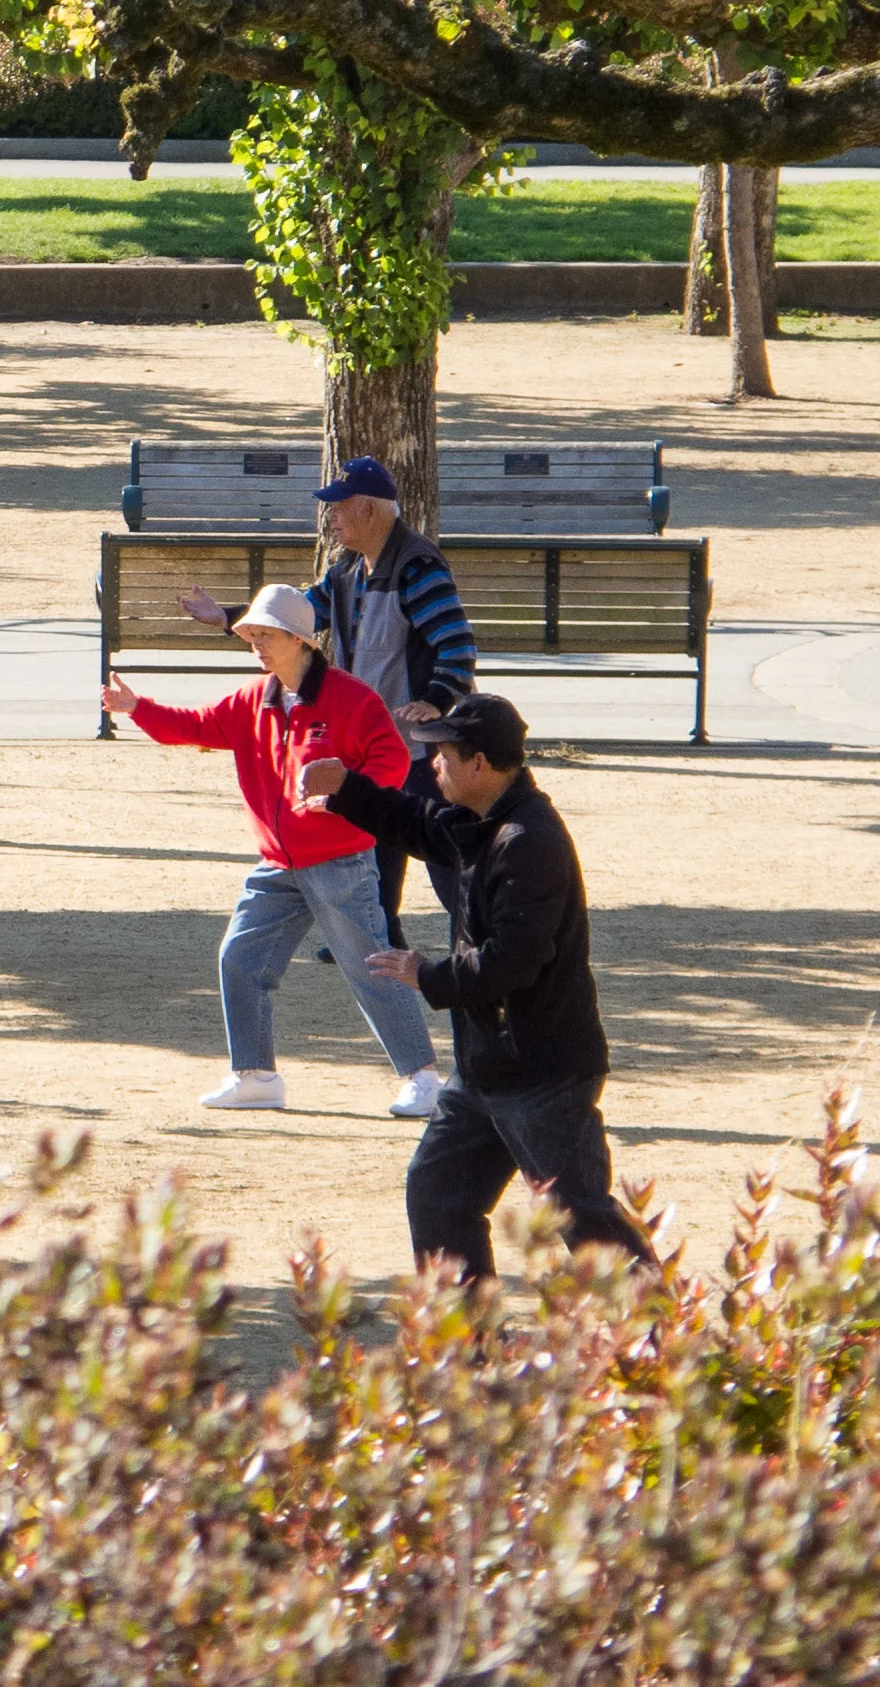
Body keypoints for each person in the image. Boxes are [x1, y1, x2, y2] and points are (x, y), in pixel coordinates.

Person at [296, 694, 655, 1281]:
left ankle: (663, 1334)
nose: (433, 765)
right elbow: (416, 824)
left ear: (480, 763)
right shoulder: (481, 822)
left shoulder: (527, 839)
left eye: (442, 754)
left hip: (544, 1074)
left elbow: (515, 961)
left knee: (581, 1217)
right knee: (439, 1196)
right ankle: (469, 1349)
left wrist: (427, 974)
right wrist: (345, 789)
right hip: (484, 1072)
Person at [101, 583, 445, 1118]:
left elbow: (391, 761)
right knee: (239, 959)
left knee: (370, 966)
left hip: (341, 862)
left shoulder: (352, 698)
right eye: (251, 635)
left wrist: (349, 799)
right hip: (278, 864)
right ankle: (255, 1076)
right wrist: (136, 708)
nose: (256, 644)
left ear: (300, 640)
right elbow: (193, 726)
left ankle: (423, 1078)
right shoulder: (249, 700)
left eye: (266, 635)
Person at [181, 455, 475, 948]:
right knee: (374, 838)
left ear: (370, 510)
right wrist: (228, 618)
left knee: (443, 853)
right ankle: (376, 945)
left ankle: (475, 945)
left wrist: (435, 700)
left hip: (418, 745)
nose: (331, 519)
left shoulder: (416, 567)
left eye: (339, 509)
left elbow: (458, 644)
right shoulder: (346, 570)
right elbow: (295, 618)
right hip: (370, 737)